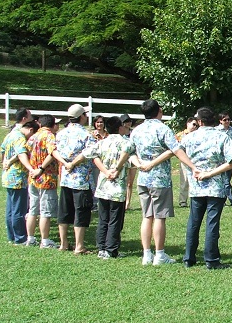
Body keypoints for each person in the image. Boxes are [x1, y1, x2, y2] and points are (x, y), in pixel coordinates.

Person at [180, 107, 232, 269]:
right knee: (212, 223)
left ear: (200, 122)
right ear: (215, 120)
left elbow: (178, 152)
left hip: (196, 186)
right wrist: (213, 172)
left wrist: (193, 168)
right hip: (216, 188)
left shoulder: (189, 137)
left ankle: (189, 258)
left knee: (193, 222)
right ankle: (211, 260)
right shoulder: (221, 137)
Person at [130, 99, 197, 266]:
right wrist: (192, 166)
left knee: (147, 216)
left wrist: (140, 164)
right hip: (160, 179)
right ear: (159, 110)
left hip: (143, 178)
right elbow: (176, 150)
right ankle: (159, 254)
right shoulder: (163, 129)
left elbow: (129, 152)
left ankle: (146, 254)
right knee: (159, 217)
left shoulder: (136, 130)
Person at [73, 116, 145, 259]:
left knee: (103, 218)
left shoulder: (102, 143)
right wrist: (119, 169)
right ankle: (111, 250)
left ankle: (101, 247)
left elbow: (87, 154)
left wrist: (72, 164)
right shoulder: (127, 142)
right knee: (115, 220)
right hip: (117, 188)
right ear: (119, 128)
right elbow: (130, 155)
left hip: (103, 187)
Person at [52, 105, 96, 254]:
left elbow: (53, 151)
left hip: (65, 178)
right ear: (82, 116)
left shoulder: (61, 133)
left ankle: (63, 243)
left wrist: (65, 164)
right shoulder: (87, 135)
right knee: (81, 211)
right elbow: (87, 153)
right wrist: (73, 163)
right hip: (82, 180)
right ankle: (79, 245)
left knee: (64, 211)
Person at [1, 119, 39, 245]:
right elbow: (22, 154)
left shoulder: (11, 134)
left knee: (10, 208)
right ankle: (20, 238)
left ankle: (11, 236)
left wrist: (4, 163)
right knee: (19, 209)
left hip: (8, 176)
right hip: (18, 177)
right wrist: (31, 169)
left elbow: (2, 150)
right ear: (31, 130)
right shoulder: (20, 138)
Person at [25, 114, 60, 249]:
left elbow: (26, 152)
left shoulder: (33, 137)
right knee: (46, 210)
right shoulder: (49, 136)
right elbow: (52, 153)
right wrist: (42, 168)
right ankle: (45, 240)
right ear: (52, 125)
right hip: (46, 177)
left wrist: (33, 169)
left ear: (39, 124)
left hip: (32, 177)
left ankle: (31, 238)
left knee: (33, 209)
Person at [216, 111, 232, 208]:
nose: (227, 121)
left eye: (228, 119)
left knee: (227, 180)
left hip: (230, 158)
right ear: (220, 121)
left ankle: (222, 200)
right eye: (225, 120)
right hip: (221, 159)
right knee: (225, 181)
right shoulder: (217, 130)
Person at [175, 117, 198, 208]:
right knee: (184, 181)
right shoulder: (180, 135)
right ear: (187, 124)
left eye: (196, 125)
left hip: (195, 161)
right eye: (193, 124)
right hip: (184, 161)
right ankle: (183, 201)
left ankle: (194, 200)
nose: (195, 127)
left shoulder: (197, 135)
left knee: (195, 180)